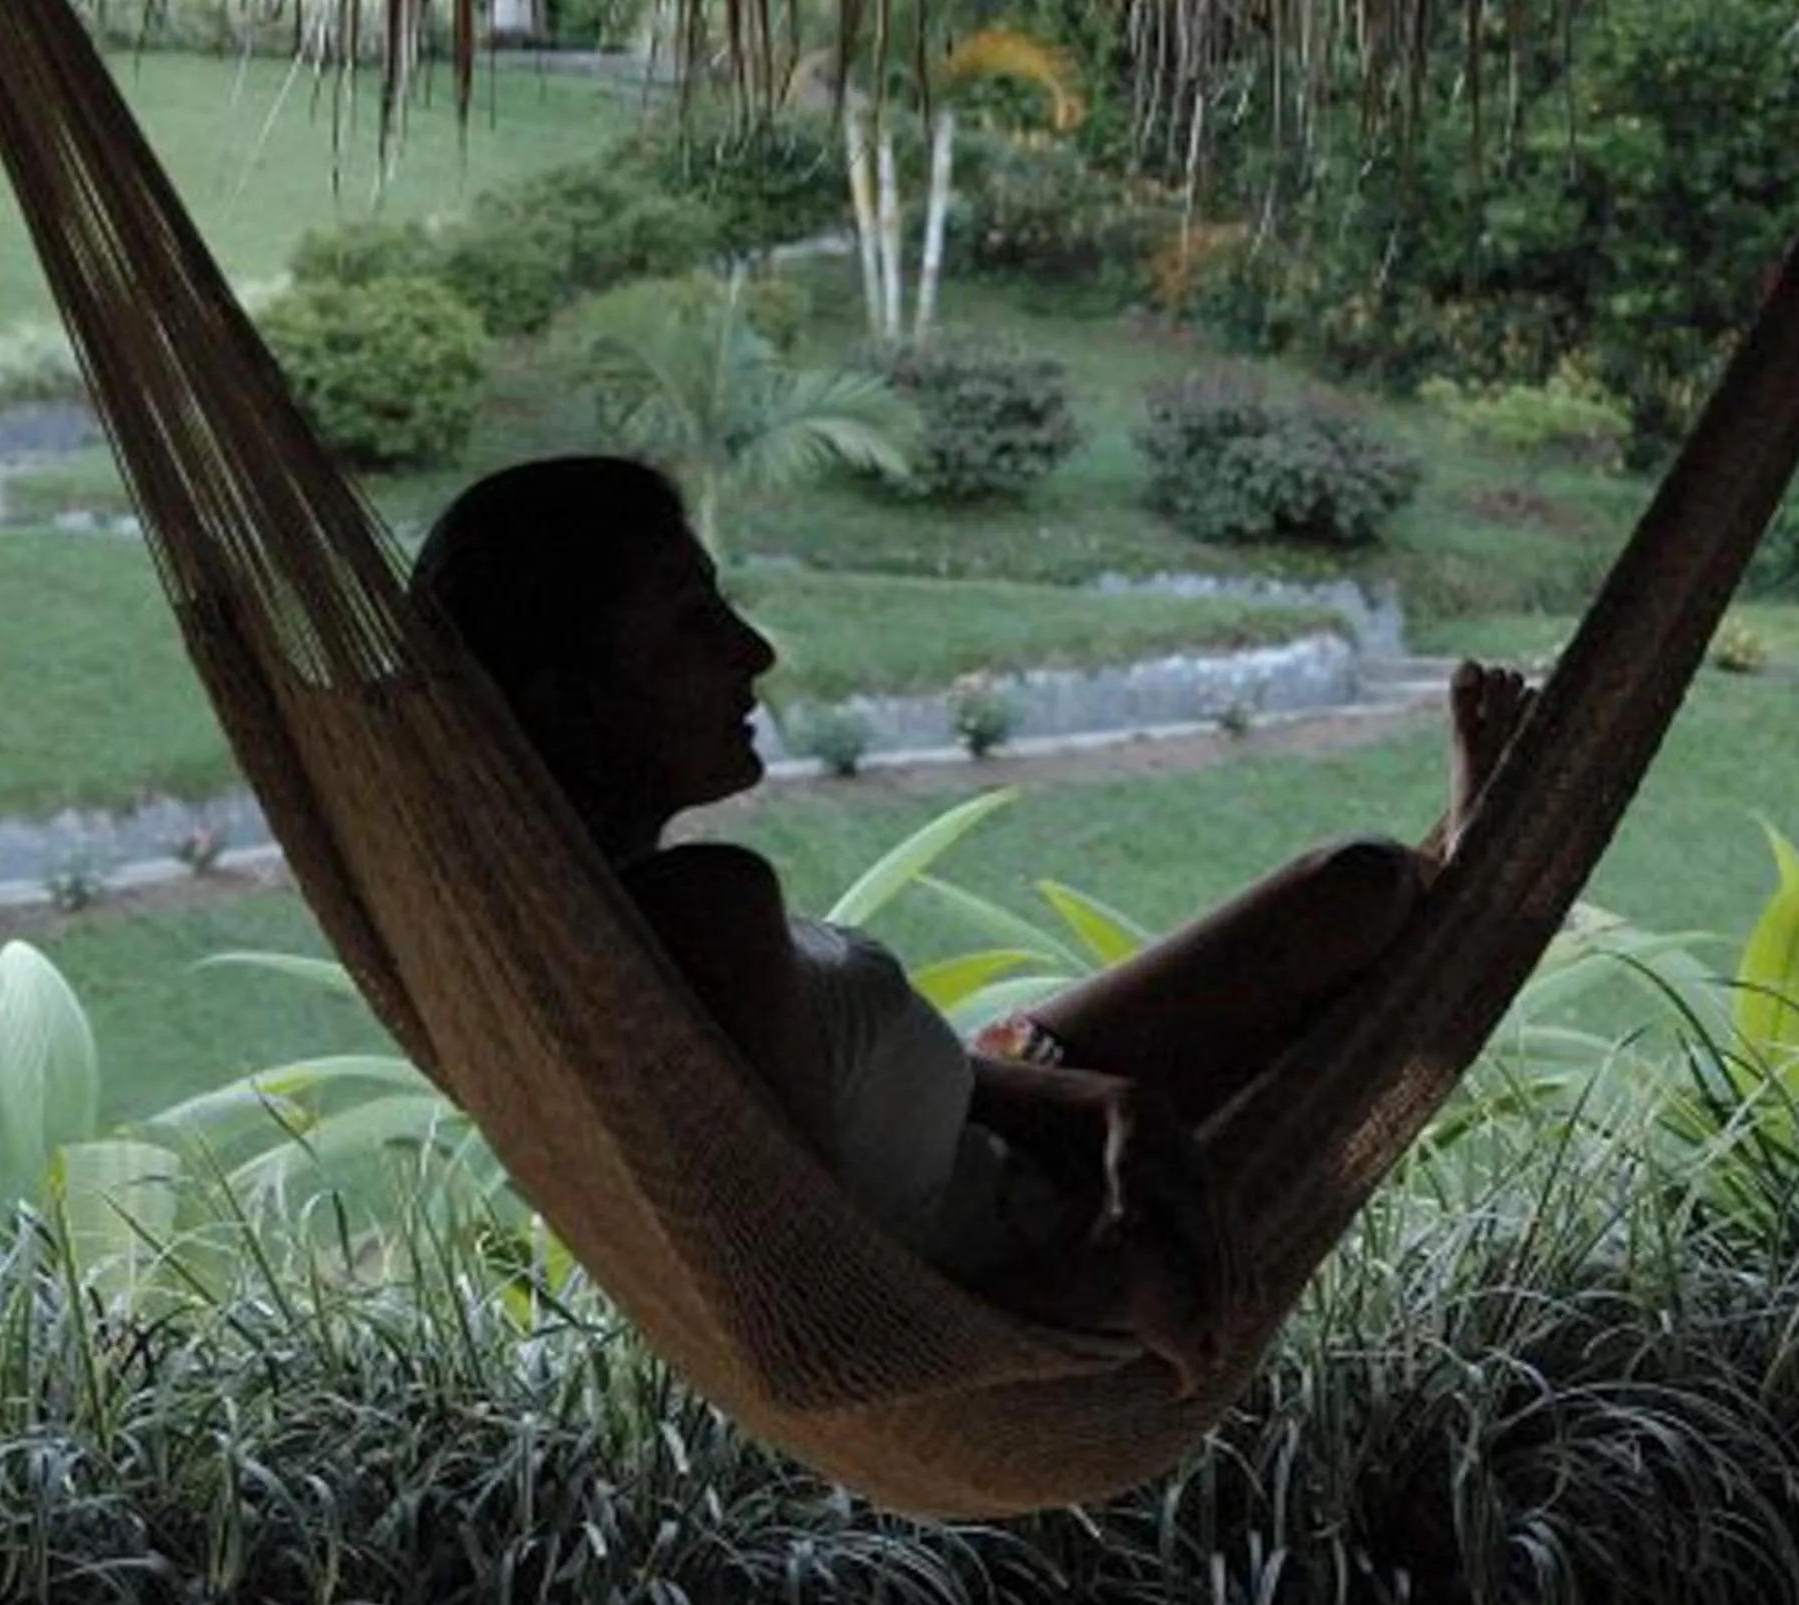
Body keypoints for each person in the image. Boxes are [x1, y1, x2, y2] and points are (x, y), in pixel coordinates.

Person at [413, 456, 1535, 1390]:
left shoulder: (571, 923)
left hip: (1009, 1104)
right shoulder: (703, 909)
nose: (753, 650)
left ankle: (1466, 859)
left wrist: (1107, 1102)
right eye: (689, 621)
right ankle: (1481, 855)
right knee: (1367, 892)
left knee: (1357, 886)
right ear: (563, 696)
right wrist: (1114, 1281)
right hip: (1039, 1229)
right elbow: (812, 1330)